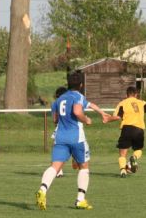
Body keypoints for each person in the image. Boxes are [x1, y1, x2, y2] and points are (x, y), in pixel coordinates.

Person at [36, 73, 109, 211]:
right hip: (76, 137)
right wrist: (86, 119)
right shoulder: (78, 96)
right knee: (84, 167)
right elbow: (77, 112)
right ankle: (80, 200)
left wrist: (101, 112)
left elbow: (55, 120)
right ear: (81, 85)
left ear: (68, 84)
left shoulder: (59, 99)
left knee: (55, 167)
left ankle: (42, 190)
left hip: (60, 137)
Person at [104, 86, 146, 178]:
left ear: (126, 95)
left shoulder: (122, 103)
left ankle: (123, 171)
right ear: (136, 94)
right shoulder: (142, 103)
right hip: (139, 129)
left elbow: (117, 117)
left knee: (122, 153)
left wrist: (108, 119)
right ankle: (134, 158)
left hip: (127, 129)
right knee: (138, 150)